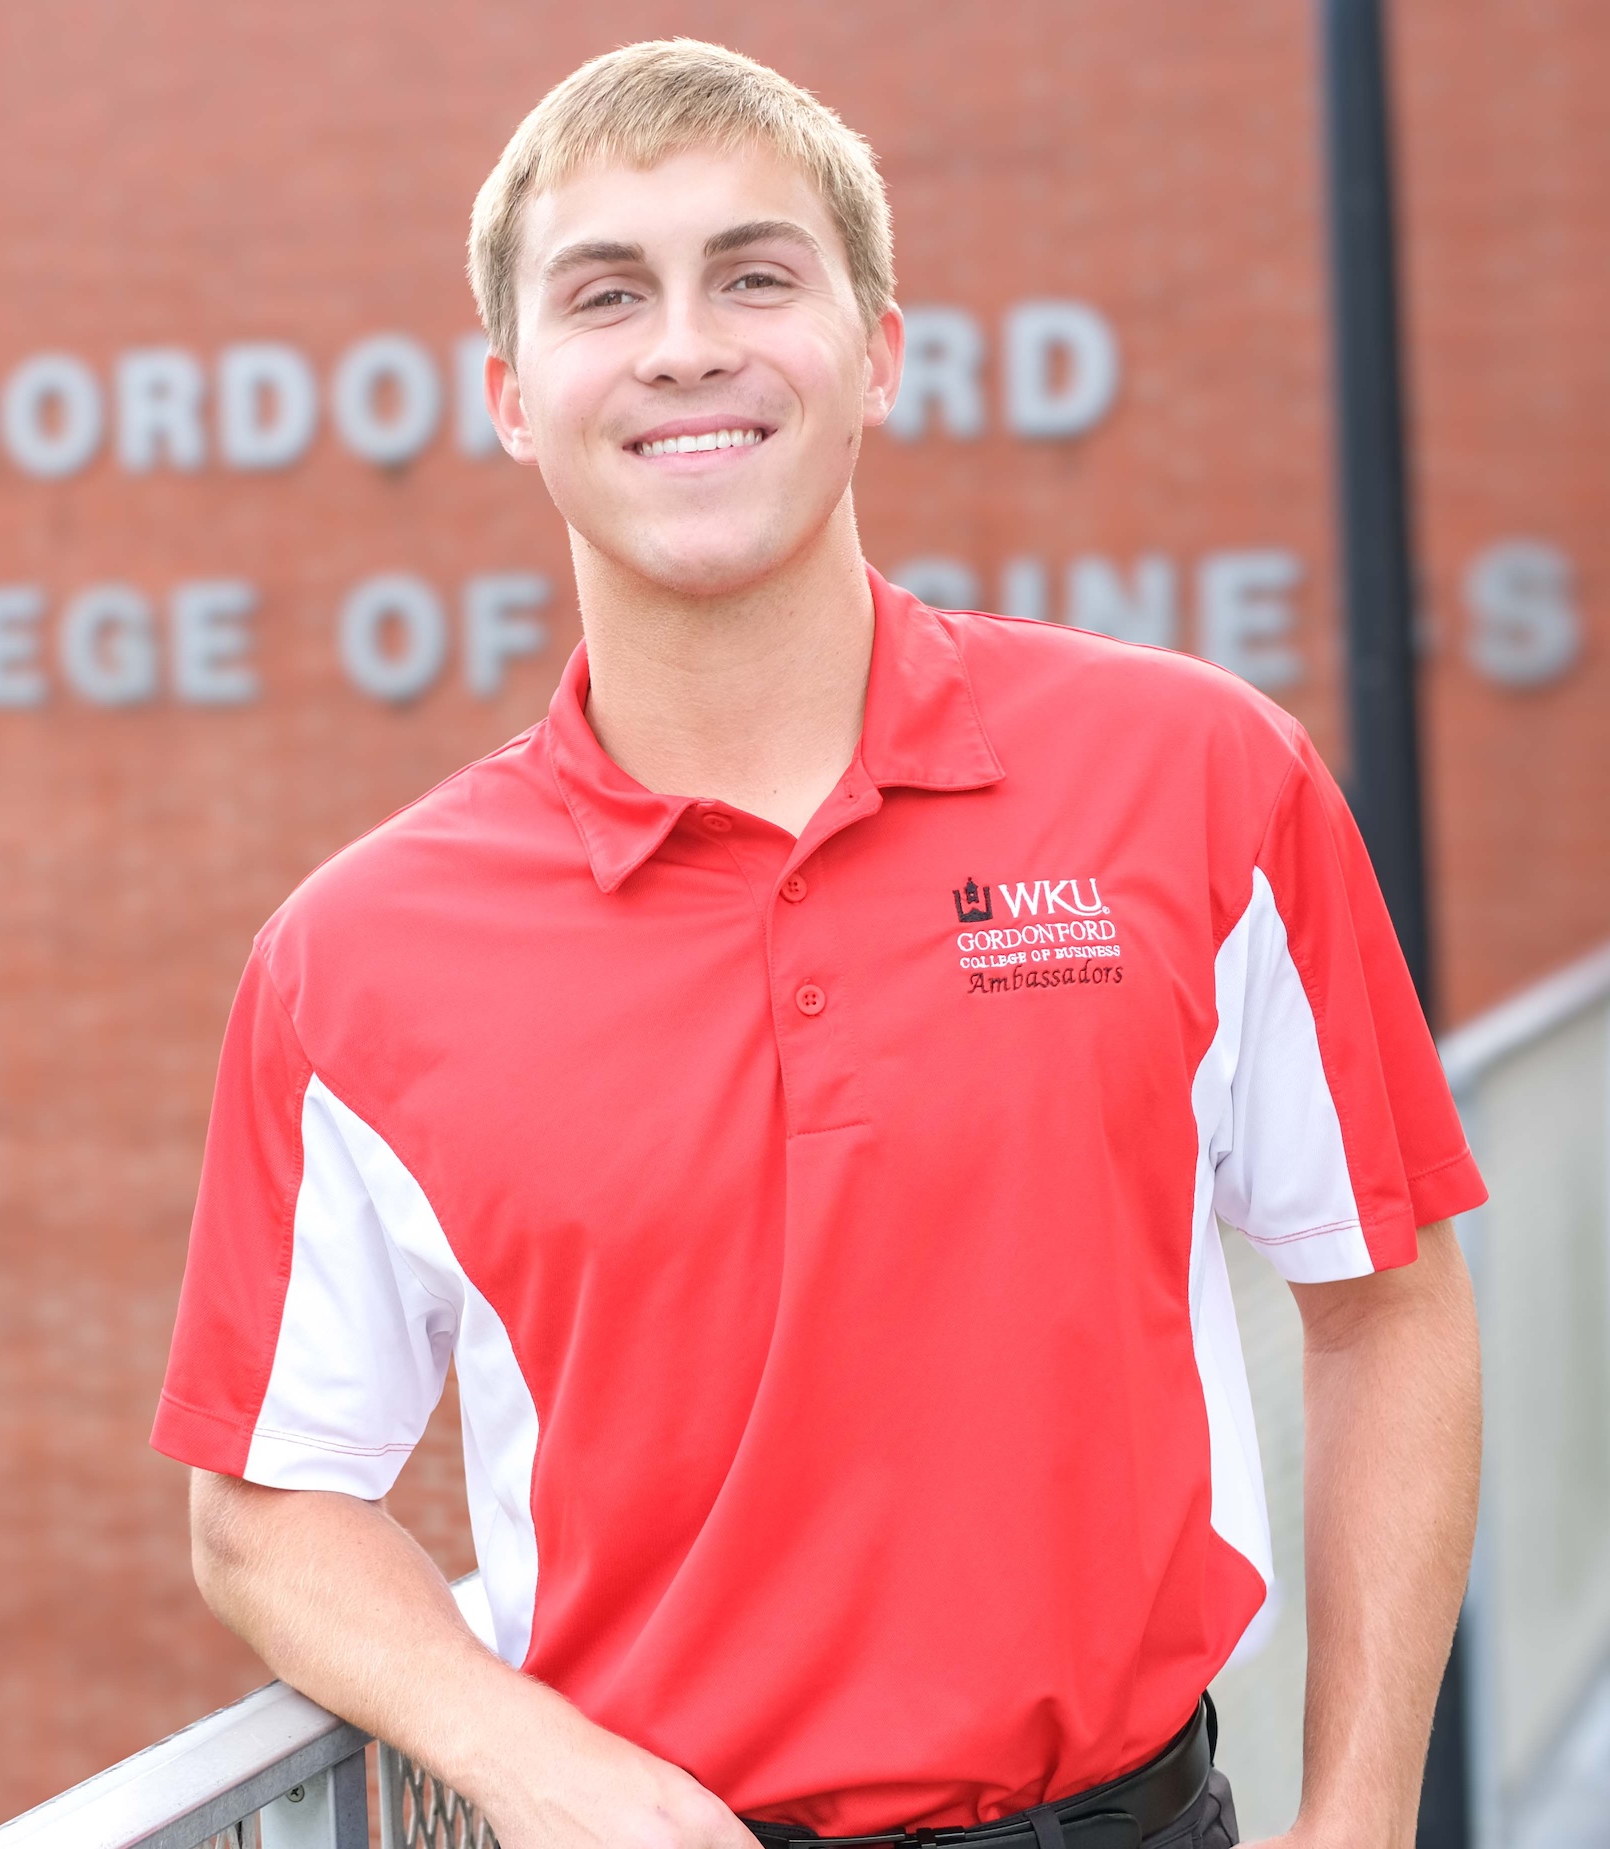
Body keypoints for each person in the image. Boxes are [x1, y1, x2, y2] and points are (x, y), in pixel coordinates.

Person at [152, 39, 1485, 1849]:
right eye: (606, 293)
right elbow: (264, 1504)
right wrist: (548, 1771)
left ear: (878, 355)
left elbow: (1388, 1304)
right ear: (511, 397)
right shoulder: (355, 957)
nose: (687, 343)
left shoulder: (1197, 777)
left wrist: (1362, 1816)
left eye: (756, 275)